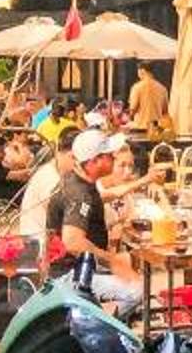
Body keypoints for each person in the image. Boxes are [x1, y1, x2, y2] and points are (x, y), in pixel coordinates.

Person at [55, 127, 142, 312]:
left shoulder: (79, 180)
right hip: (70, 274)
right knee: (137, 290)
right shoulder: (80, 194)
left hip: (82, 266)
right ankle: (93, 324)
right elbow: (73, 242)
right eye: (109, 155)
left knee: (132, 268)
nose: (113, 157)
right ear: (94, 161)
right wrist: (112, 261)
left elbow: (101, 200)